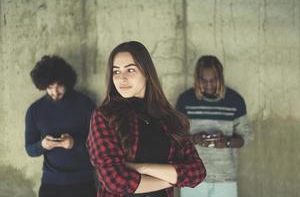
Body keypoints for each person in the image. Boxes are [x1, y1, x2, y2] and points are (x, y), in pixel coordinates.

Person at [87, 41, 206, 197]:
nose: (121, 78)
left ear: (147, 73)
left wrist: (144, 168)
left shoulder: (170, 118)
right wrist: (172, 179)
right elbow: (115, 181)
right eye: (116, 72)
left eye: (130, 70)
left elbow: (197, 172)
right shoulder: (105, 117)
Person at [176, 55, 252, 197]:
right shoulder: (185, 100)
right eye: (204, 80)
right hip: (192, 175)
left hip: (225, 177)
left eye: (213, 80)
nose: (209, 85)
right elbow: (176, 137)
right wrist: (195, 139)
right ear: (197, 79)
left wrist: (227, 142)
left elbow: (246, 137)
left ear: (220, 78)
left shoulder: (235, 100)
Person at [25, 55, 97, 197]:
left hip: (83, 183)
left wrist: (74, 143)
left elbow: (100, 146)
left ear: (67, 82)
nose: (55, 92)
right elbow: (30, 149)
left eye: (59, 86)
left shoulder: (85, 104)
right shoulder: (35, 110)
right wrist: (43, 145)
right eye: (50, 87)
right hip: (51, 185)